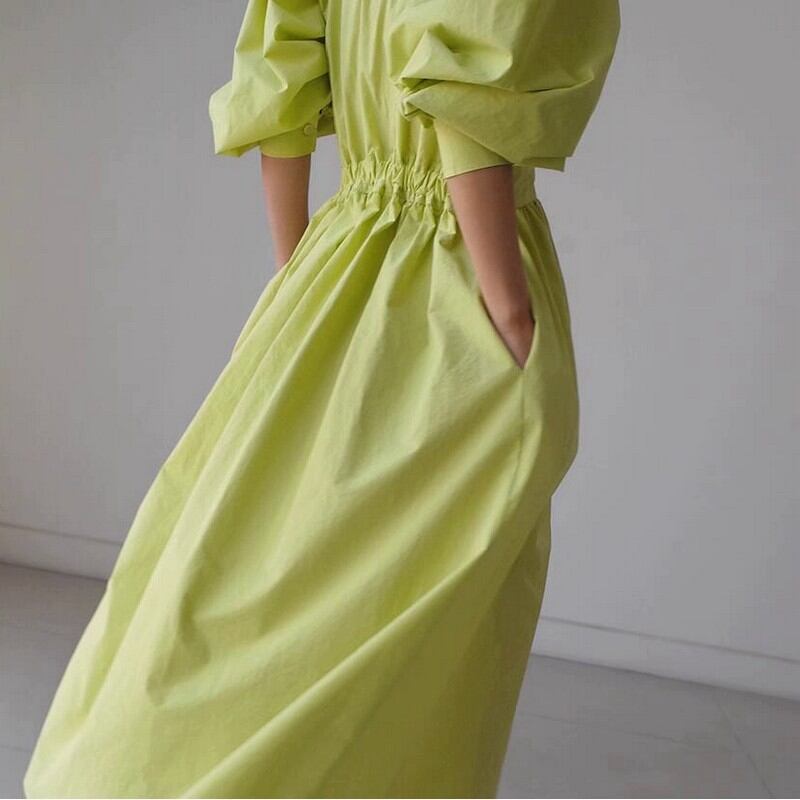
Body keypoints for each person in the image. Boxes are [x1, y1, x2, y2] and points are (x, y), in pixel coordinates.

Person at [23, 1, 620, 796]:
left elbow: (279, 86)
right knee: (421, 599)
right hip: (456, 284)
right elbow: (467, 116)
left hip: (340, 259)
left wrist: (292, 276)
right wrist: (511, 317)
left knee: (265, 567)